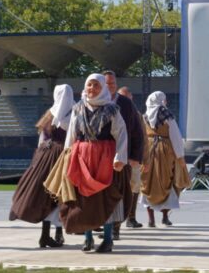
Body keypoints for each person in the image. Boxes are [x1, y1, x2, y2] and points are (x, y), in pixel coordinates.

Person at [59, 73, 130, 253]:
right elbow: (72, 134)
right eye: (89, 85)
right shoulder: (78, 108)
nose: (92, 89)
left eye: (96, 85)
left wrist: (120, 158)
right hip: (82, 157)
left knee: (105, 197)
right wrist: (67, 154)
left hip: (105, 158)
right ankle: (88, 237)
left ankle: (107, 239)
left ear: (103, 88)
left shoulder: (112, 110)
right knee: (84, 198)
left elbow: (121, 134)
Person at [9, 84, 74, 248]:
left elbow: (42, 140)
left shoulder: (49, 114)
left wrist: (37, 161)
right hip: (63, 155)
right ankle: (55, 233)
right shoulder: (73, 113)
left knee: (48, 194)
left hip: (44, 155)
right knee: (60, 194)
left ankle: (48, 234)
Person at [140, 91, 190, 227]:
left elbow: (142, 136)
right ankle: (164, 216)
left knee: (148, 183)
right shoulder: (167, 116)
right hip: (165, 150)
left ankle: (151, 219)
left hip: (149, 149)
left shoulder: (144, 116)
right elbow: (175, 136)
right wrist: (180, 155)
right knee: (167, 180)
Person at [103, 71, 144, 235]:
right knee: (103, 193)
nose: (110, 86)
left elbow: (137, 131)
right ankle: (104, 225)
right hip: (100, 156)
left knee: (119, 191)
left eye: (112, 83)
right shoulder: (95, 102)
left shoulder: (126, 104)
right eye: (107, 83)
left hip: (122, 155)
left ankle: (115, 228)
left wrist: (135, 156)